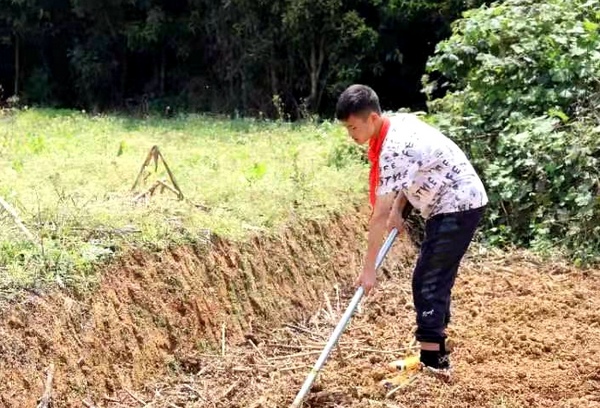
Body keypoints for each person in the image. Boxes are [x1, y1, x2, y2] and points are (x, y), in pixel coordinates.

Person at [335, 84, 488, 378]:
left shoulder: (392, 149)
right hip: (456, 200)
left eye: (354, 127)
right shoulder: (398, 124)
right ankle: (436, 348)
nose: (351, 135)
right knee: (435, 275)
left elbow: (378, 216)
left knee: (428, 278)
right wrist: (398, 209)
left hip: (457, 203)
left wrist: (369, 270)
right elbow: (411, 174)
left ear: (373, 119)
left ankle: (434, 363)